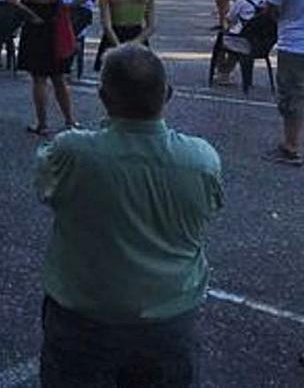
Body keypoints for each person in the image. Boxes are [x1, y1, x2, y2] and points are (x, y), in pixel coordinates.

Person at [36, 44, 223, 387]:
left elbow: (45, 186)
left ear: (104, 97)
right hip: (168, 317)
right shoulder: (201, 160)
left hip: (84, 317)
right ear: (167, 94)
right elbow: (210, 210)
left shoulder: (72, 151)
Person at [11, 0, 91, 136]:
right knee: (59, 78)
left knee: (39, 79)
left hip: (36, 29)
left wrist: (29, 14)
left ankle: (42, 123)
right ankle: (70, 120)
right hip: (55, 29)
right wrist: (68, 7)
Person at [265, 0, 304, 166]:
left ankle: (291, 146)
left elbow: (271, 8)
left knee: (291, 96)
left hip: (293, 46)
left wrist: (279, 18)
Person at [214, 0, 267, 87]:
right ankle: (227, 72)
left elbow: (229, 18)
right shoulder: (265, 2)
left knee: (223, 43)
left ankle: (223, 72)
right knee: (236, 43)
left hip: (243, 39)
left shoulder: (241, 2)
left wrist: (226, 28)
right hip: (262, 43)